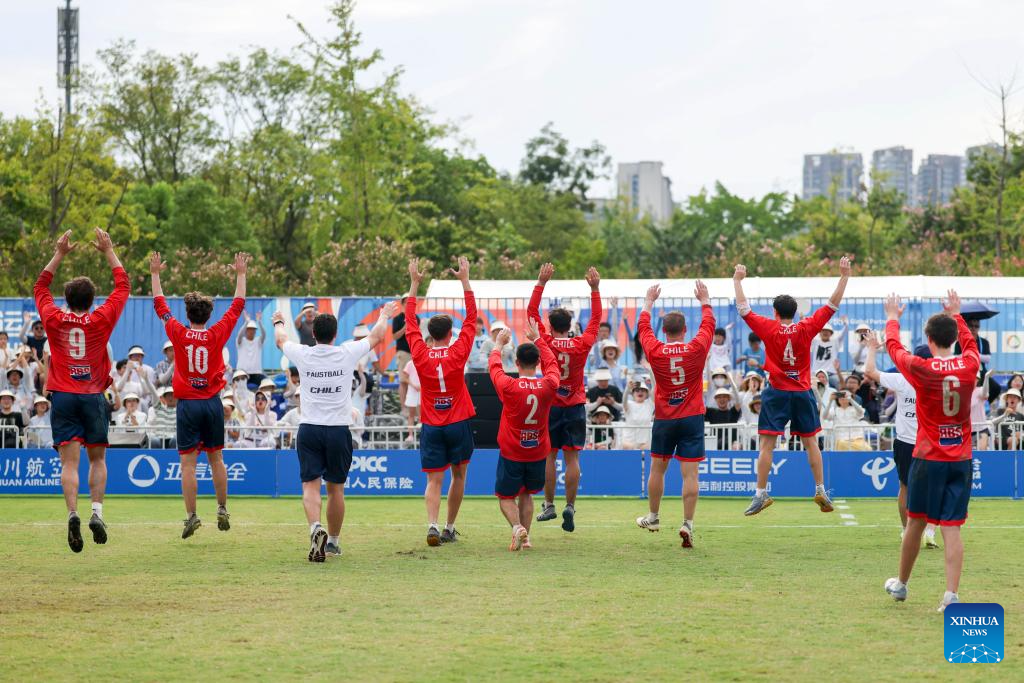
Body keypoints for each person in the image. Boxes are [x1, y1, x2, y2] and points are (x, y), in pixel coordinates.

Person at [273, 300, 398, 561]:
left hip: (309, 428)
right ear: (336, 333)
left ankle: (314, 527)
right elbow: (377, 336)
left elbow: (281, 339)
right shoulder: (346, 352)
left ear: (313, 333)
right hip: (338, 430)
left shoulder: (304, 354)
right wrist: (384, 314)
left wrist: (279, 322)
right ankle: (332, 542)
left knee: (310, 485)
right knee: (336, 489)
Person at [883, 290, 979, 612]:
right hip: (961, 458)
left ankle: (901, 585)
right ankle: (951, 595)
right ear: (954, 338)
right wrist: (958, 314)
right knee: (952, 527)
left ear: (928, 338)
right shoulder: (969, 364)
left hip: (928, 457)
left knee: (916, 522)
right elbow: (971, 345)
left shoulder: (922, 368)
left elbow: (894, 349)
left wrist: (893, 318)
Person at [734, 255, 851, 517]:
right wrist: (844, 276)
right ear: (795, 313)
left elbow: (743, 308)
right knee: (811, 443)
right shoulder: (806, 327)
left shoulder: (768, 327)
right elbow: (832, 305)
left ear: (775, 313)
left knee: (767, 445)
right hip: (802, 392)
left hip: (776, 392)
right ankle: (820, 489)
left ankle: (760, 494)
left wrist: (738, 280)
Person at [35, 228, 129, 553]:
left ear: (67, 300)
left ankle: (72, 513)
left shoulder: (54, 318)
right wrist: (108, 250)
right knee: (98, 458)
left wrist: (60, 253)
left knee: (69, 464)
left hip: (62, 396)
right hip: (92, 396)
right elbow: (123, 285)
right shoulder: (101, 319)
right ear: (91, 301)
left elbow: (40, 286)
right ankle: (96, 512)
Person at [151, 250, 249, 539]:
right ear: (208, 315)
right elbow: (237, 306)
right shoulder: (217, 333)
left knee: (188, 464)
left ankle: (192, 516)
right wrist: (240, 275)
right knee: (216, 459)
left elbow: (160, 304)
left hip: (188, 406)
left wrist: (155, 274)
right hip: (212, 403)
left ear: (188, 314)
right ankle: (222, 508)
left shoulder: (178, 333)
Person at [635, 281, 715, 548]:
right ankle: (687, 523)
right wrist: (704, 301)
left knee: (658, 469)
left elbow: (643, 328)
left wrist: (648, 302)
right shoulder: (696, 348)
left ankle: (653, 517)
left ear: (664, 331)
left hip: (665, 418)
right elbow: (709, 325)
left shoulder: (655, 350)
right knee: (690, 474)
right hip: (692, 417)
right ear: (685, 330)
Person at [406, 257, 478, 547]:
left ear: (430, 335)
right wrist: (464, 280)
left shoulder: (420, 354)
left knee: (433, 480)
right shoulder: (458, 351)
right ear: (450, 334)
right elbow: (472, 318)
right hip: (458, 421)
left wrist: (414, 284)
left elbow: (409, 323)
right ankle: (449, 527)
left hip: (432, 423)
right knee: (459, 475)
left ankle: (432, 525)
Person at [527, 262, 602, 532]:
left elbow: (531, 313)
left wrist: (541, 283)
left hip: (551, 405)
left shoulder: (545, 341)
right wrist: (595, 289)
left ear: (550, 325)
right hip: (575, 404)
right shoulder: (581, 343)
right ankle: (570, 506)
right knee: (573, 459)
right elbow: (596, 319)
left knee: (549, 457)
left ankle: (549, 505)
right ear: (570, 325)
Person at [864, 333, 939, 548]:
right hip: (931, 442)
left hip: (906, 441)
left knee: (905, 487)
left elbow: (869, 372)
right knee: (935, 487)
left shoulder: (903, 379)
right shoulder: (940, 381)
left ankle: (907, 530)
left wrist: (872, 348)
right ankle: (930, 532)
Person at [489, 321, 559, 551]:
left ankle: (518, 527)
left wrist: (498, 345)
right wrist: (539, 339)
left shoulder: (509, 386)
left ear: (517, 363)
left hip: (512, 451)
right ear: (538, 363)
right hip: (537, 451)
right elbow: (553, 365)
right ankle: (526, 539)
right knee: (527, 494)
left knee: (505, 497)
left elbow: (494, 368)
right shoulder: (549, 385)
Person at [810, 316, 848, 387]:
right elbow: (807, 332)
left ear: (831, 334)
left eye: (827, 331)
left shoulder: (835, 342)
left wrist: (846, 323)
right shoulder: (815, 342)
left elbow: (843, 333)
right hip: (816, 374)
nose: (825, 332)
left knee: (841, 387)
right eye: (823, 331)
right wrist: (802, 318)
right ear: (819, 333)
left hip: (831, 374)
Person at [620, 382, 654, 450]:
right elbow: (624, 400)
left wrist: (651, 374)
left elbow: (655, 390)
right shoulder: (629, 404)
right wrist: (627, 389)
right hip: (629, 442)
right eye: (637, 390)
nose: (640, 392)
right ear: (632, 394)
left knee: (648, 448)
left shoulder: (649, 404)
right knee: (628, 447)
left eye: (643, 390)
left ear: (647, 393)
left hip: (644, 443)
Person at [236, 311, 266, 386]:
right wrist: (246, 322)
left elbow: (264, 334)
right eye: (249, 329)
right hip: (242, 373)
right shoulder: (241, 341)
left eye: (253, 329)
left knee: (266, 384)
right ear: (246, 330)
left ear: (255, 331)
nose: (251, 331)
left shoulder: (258, 341)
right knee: (239, 388)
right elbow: (239, 334)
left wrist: (259, 322)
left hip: (256, 373)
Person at [393, 297, 412, 409]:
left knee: (414, 381)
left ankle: (413, 410)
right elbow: (395, 336)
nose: (410, 304)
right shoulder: (398, 319)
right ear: (403, 304)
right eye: (407, 302)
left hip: (414, 354)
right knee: (403, 381)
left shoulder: (416, 318)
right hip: (403, 352)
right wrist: (405, 327)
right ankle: (404, 409)